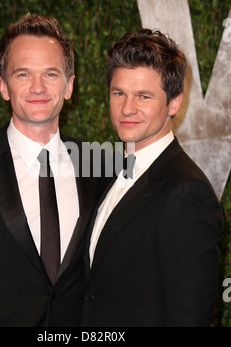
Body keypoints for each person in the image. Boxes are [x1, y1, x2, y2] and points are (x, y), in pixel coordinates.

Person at [0, 13, 105, 327]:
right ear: (3, 87)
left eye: (51, 74)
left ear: (69, 86)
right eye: (23, 74)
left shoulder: (98, 165)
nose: (38, 87)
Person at [81, 29, 223, 327]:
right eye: (119, 93)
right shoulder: (106, 175)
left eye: (143, 96)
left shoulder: (186, 193)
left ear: (173, 103)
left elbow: (189, 319)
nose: (127, 108)